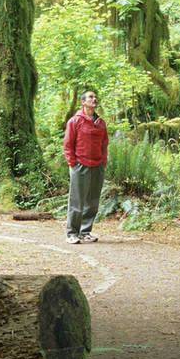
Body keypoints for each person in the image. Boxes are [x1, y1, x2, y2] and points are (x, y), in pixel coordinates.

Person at [64, 89, 109, 244]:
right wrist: (73, 163)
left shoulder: (101, 123)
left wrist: (103, 161)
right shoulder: (75, 121)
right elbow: (68, 144)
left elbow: (104, 144)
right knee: (77, 200)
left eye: (95, 97)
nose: (94, 99)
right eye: (90, 97)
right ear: (83, 102)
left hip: (97, 166)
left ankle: (85, 231)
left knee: (93, 200)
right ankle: (72, 233)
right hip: (80, 165)